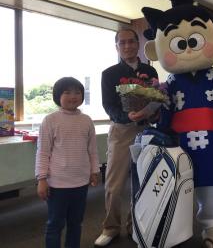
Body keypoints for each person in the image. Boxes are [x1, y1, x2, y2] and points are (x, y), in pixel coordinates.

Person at [141, 0, 213, 248]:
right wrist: (155, 106)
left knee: (209, 185)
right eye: (178, 43)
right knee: (179, 183)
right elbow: (164, 116)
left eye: (193, 41)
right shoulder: (169, 82)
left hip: (210, 139)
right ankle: (177, 227)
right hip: (178, 141)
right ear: (156, 50)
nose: (187, 49)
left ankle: (212, 226)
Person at [94, 28, 158, 247]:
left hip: (146, 130)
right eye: (122, 43)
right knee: (114, 183)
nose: (128, 46)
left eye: (131, 41)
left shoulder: (149, 72)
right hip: (121, 131)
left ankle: (134, 225)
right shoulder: (109, 73)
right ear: (117, 47)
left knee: (141, 181)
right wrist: (125, 115)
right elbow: (108, 105)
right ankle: (110, 227)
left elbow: (155, 98)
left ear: (138, 44)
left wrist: (154, 111)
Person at [35, 77, 100, 248]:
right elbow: (43, 152)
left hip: (81, 182)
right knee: (55, 224)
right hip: (57, 184)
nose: (73, 96)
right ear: (58, 96)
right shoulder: (50, 120)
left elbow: (92, 150)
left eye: (77, 92)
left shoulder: (86, 120)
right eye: (67, 92)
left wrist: (94, 171)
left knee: (76, 223)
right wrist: (42, 179)